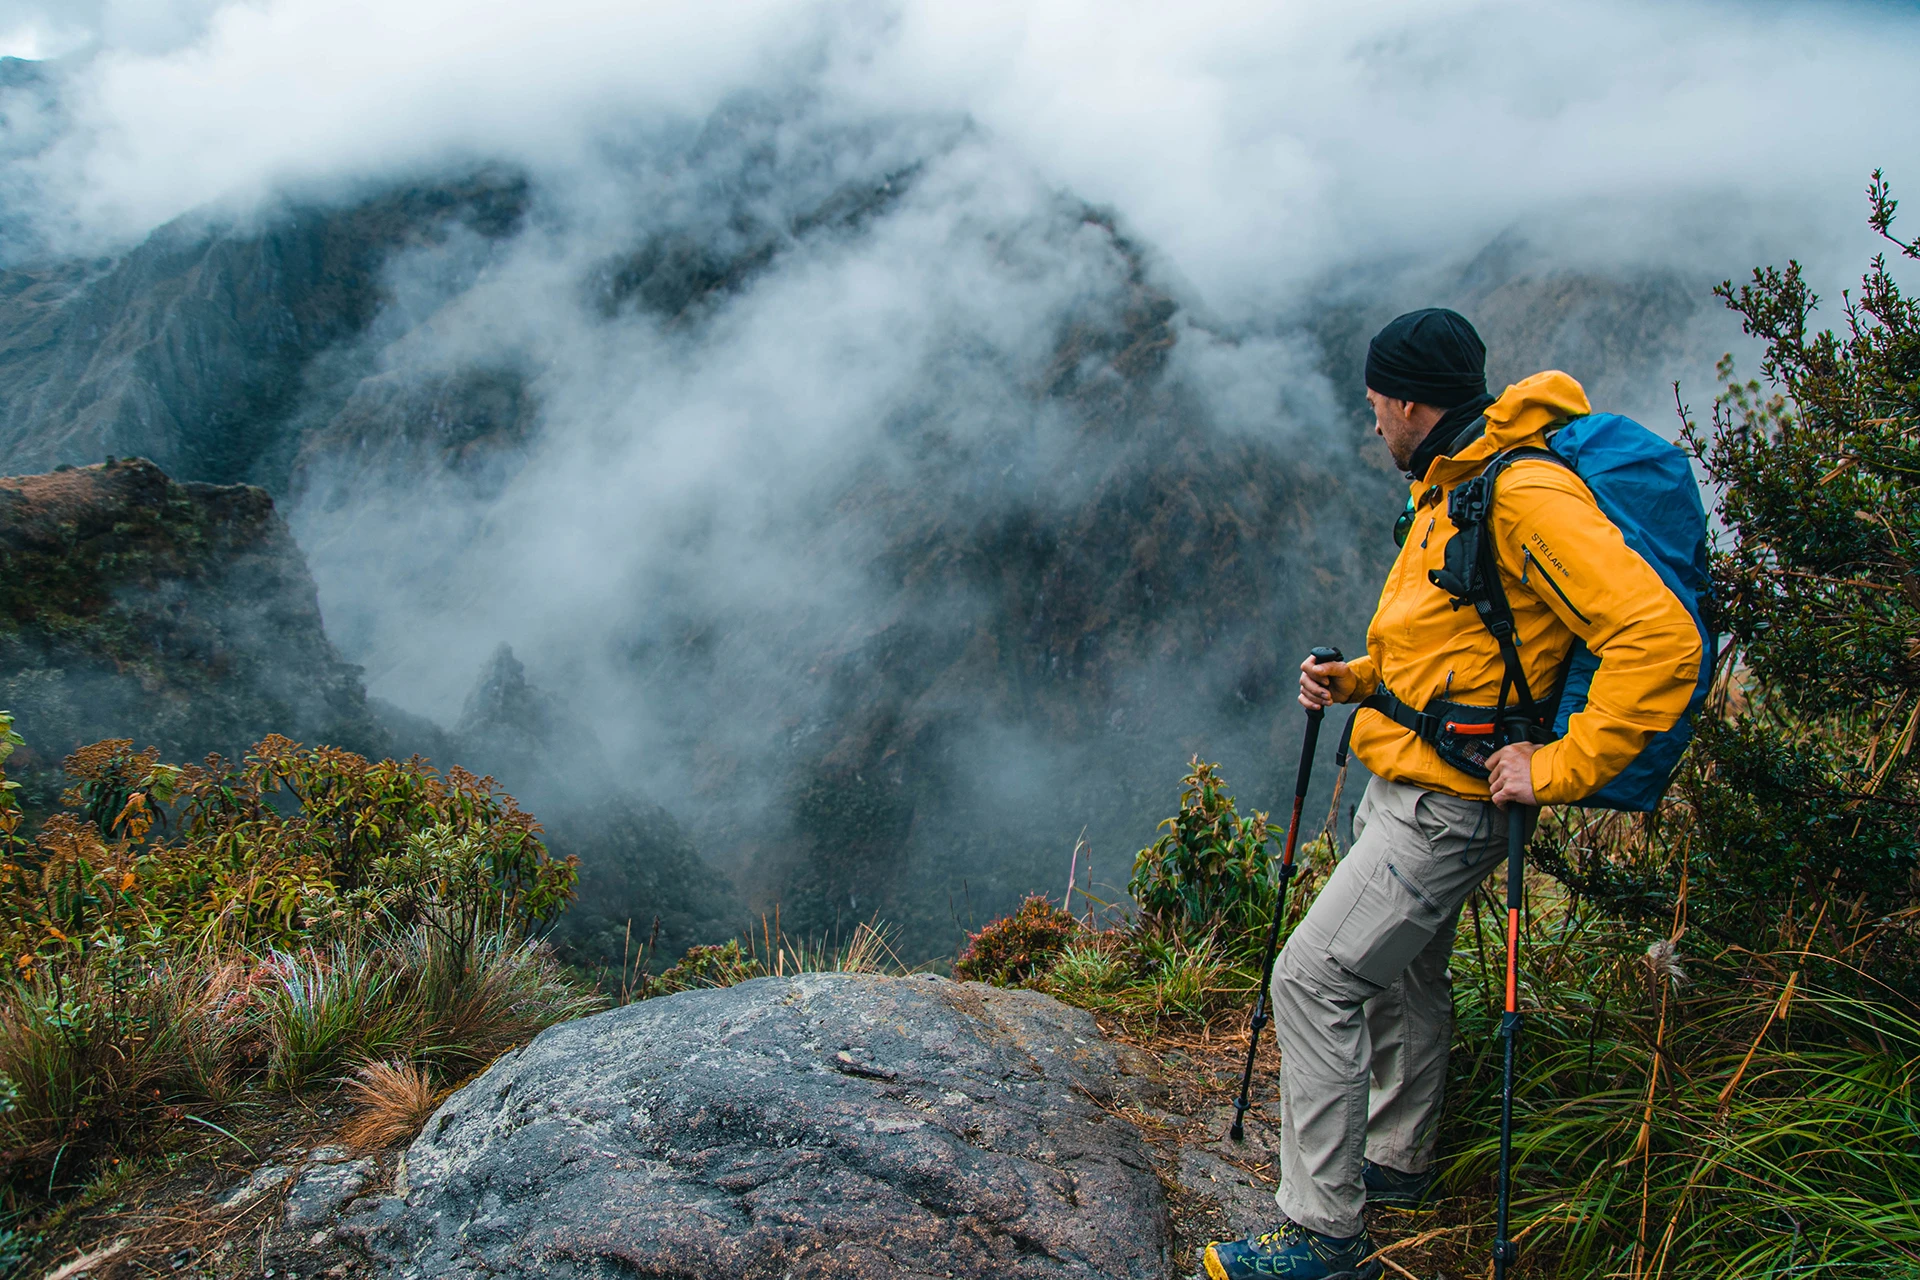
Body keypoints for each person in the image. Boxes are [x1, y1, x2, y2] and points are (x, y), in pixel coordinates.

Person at [1202, 309, 1702, 1280]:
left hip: (1444, 809)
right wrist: (1355, 677)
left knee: (1312, 977)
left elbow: (1660, 640)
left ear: (1404, 400)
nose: (1370, 426)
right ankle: (1396, 1157)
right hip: (1407, 783)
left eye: (1373, 406)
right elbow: (1444, 643)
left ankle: (1320, 1233)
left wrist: (1558, 767)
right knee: (1405, 978)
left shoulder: (1520, 494)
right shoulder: (1452, 485)